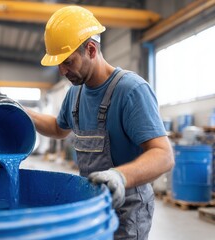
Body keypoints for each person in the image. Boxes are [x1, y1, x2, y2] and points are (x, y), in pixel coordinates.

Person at [26, 5, 174, 240]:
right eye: (58, 64)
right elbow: (58, 128)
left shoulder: (131, 91)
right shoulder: (75, 93)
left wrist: (120, 176)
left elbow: (164, 155)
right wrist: (24, 113)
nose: (62, 71)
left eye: (68, 62)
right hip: (91, 205)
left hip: (127, 212)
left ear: (91, 50)